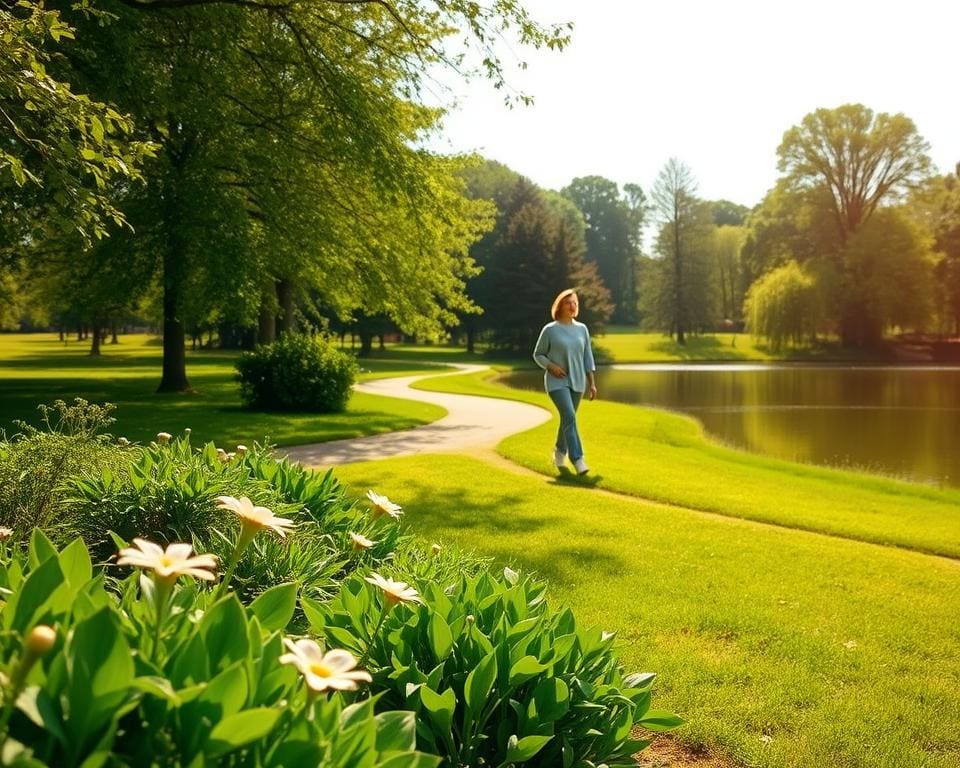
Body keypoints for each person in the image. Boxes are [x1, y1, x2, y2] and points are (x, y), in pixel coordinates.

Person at [532, 288, 597, 475]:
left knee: (568, 420)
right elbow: (538, 354)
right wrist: (551, 366)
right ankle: (578, 460)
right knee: (569, 415)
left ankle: (559, 452)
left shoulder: (582, 329)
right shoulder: (550, 330)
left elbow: (587, 357)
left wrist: (591, 383)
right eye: (568, 302)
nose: (572, 306)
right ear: (560, 306)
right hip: (556, 382)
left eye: (575, 303)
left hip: (578, 382)